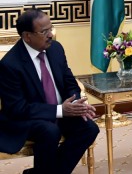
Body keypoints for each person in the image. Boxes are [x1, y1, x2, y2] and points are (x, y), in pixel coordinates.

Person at [0, 9, 99, 174]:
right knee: (49, 131)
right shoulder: (10, 64)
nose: (51, 35)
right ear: (27, 36)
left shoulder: (56, 49)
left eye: (51, 29)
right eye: (44, 31)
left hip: (61, 110)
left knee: (89, 128)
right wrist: (60, 110)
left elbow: (70, 82)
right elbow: (17, 108)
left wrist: (76, 103)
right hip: (28, 117)